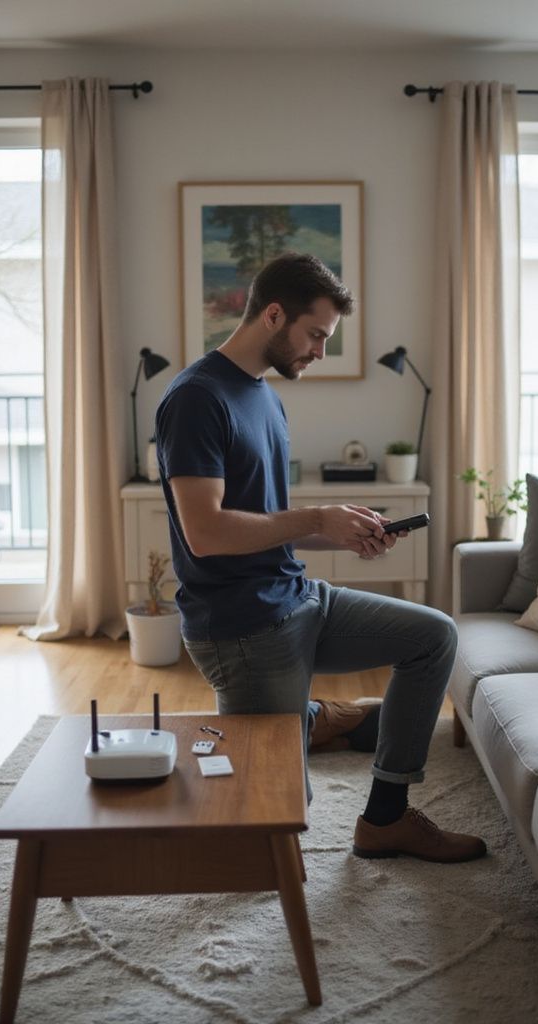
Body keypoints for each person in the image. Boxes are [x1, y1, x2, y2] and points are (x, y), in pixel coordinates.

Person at [155, 252, 486, 863]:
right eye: (315, 335)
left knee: (433, 637)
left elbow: (261, 521)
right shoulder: (197, 399)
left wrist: (340, 531)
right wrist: (316, 518)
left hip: (296, 597)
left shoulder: (263, 396)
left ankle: (383, 815)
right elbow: (204, 532)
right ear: (273, 315)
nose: (319, 352)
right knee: (278, 827)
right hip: (245, 627)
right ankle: (310, 718)